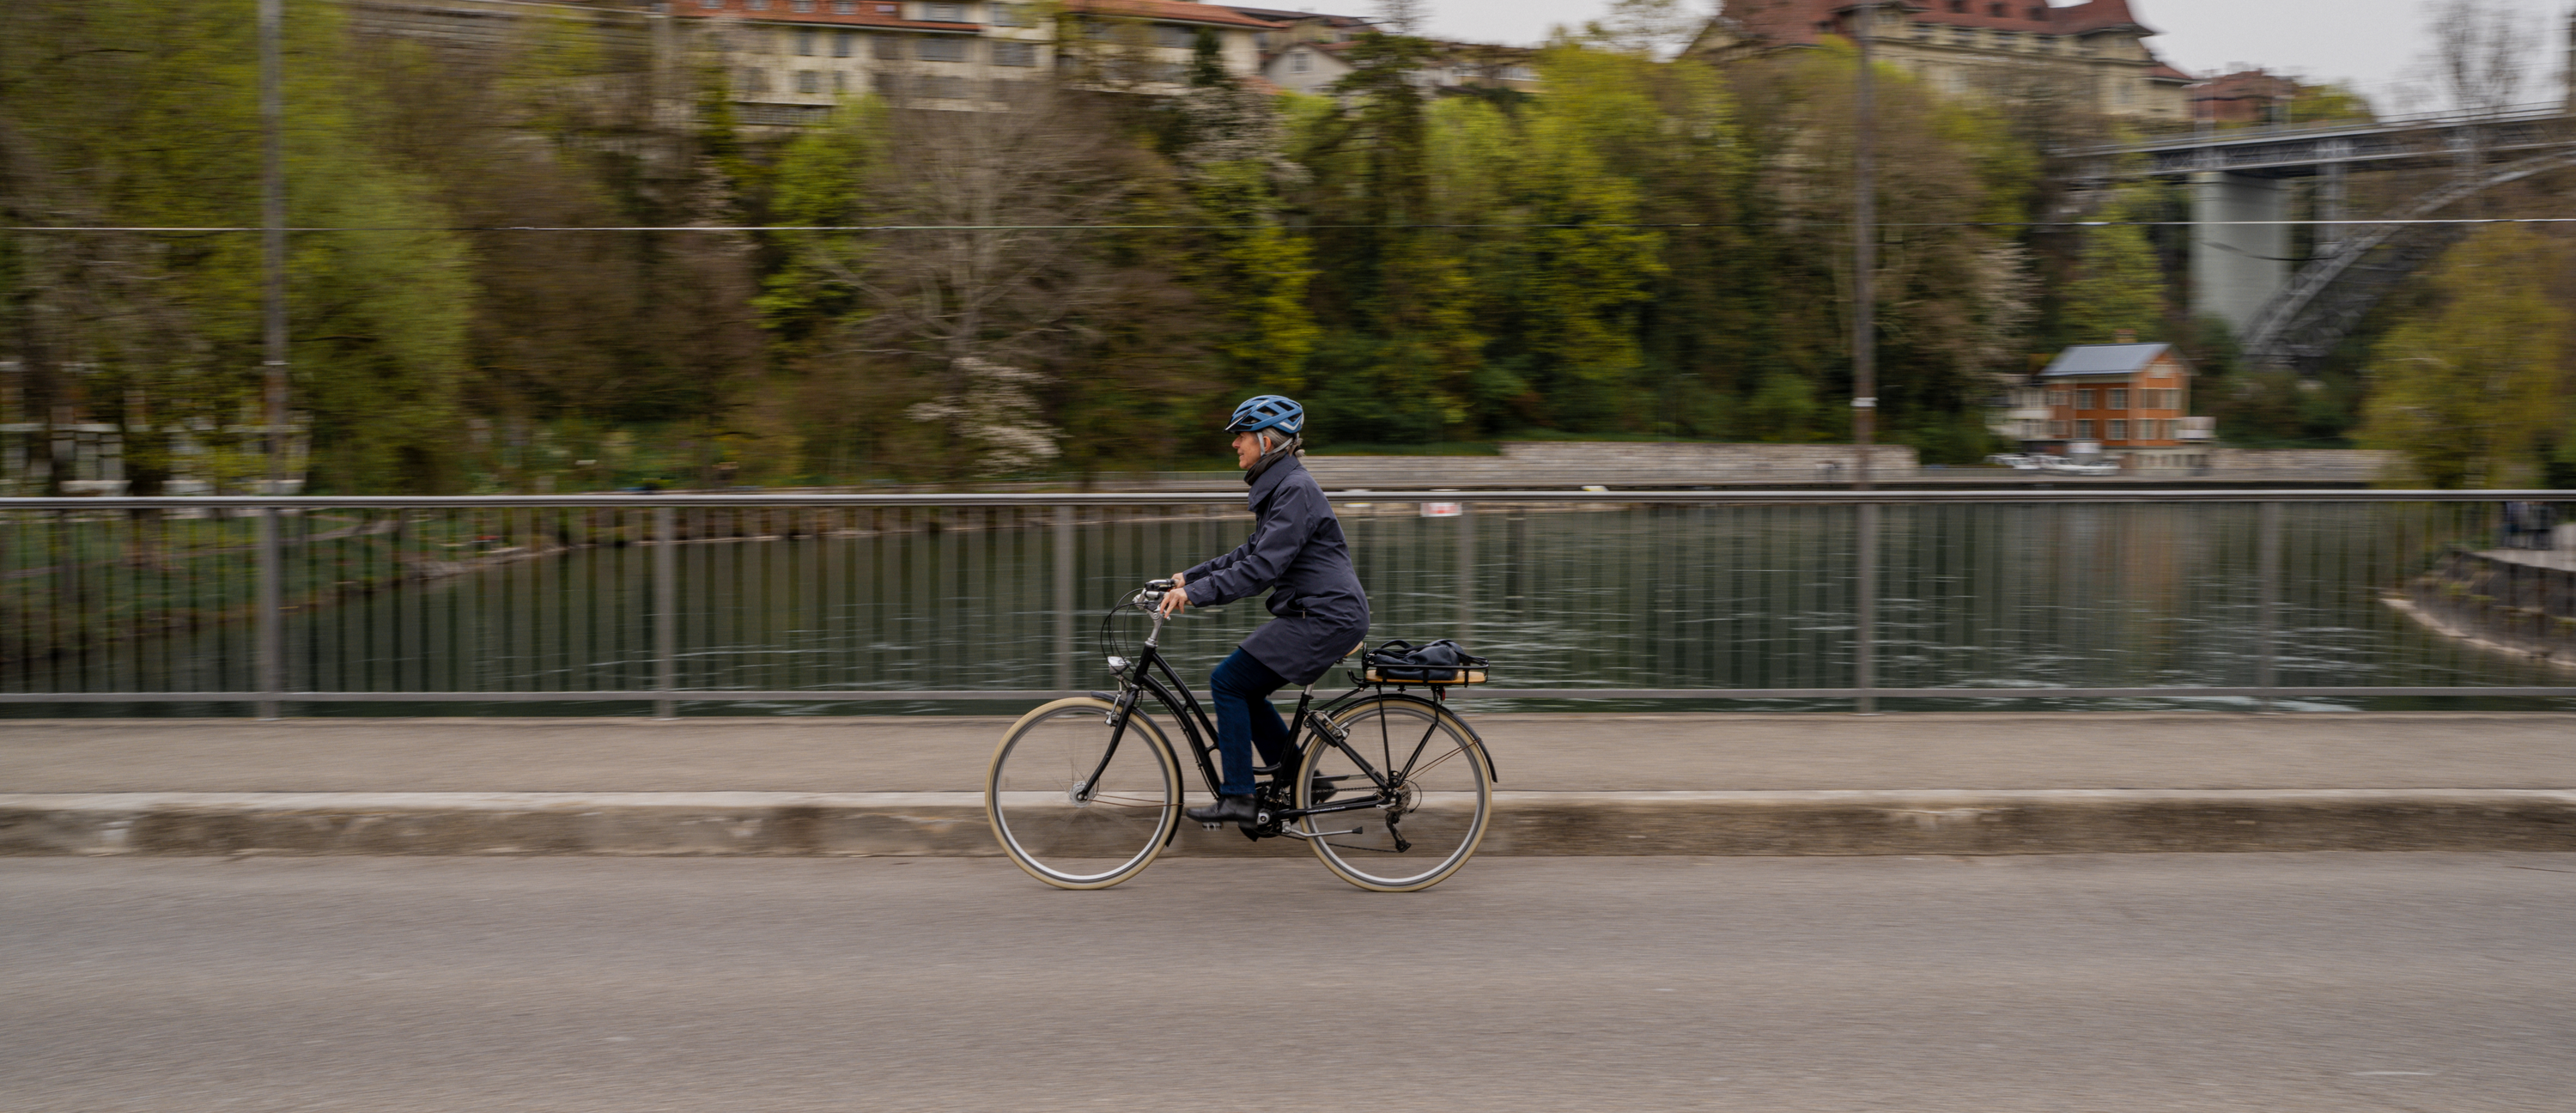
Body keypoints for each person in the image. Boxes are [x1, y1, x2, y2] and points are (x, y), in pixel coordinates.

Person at [1157, 395, 1370, 828]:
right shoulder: (1284, 487)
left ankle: (1238, 796)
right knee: (1244, 687)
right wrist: (1188, 578)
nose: (1235, 444)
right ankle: (1301, 777)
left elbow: (1261, 569)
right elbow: (1252, 551)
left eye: (1241, 436)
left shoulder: (1295, 491)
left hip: (1327, 617)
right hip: (1316, 613)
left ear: (1268, 441)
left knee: (1229, 682)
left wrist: (1197, 595)